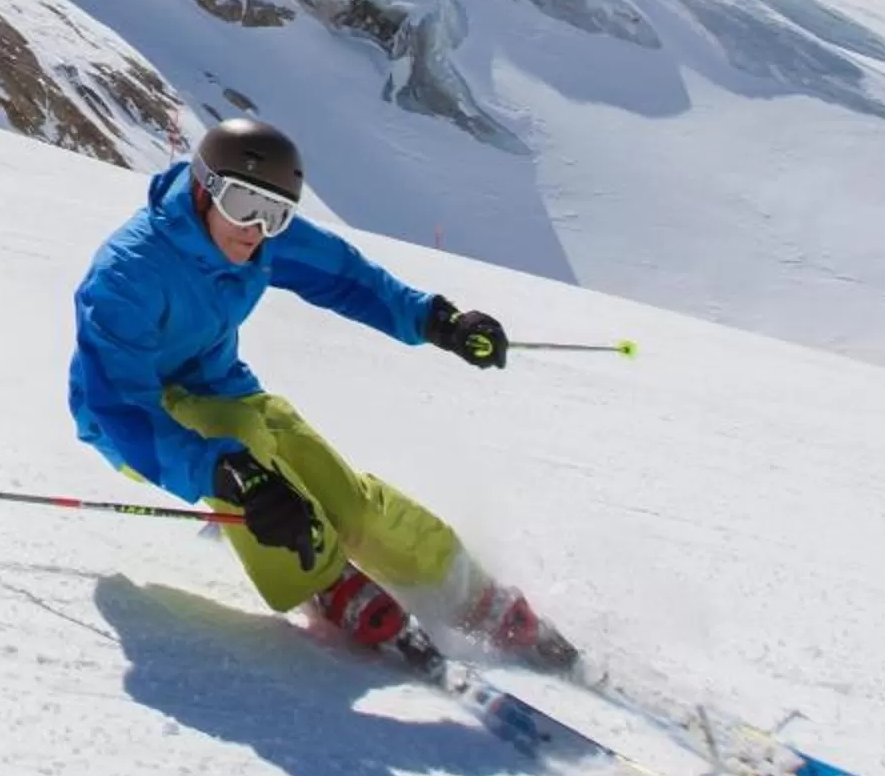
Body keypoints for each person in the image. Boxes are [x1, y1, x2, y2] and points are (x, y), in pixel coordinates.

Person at [70, 117, 570, 666]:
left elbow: (346, 277)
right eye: (241, 204)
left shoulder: (259, 242)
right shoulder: (128, 274)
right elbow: (115, 404)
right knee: (242, 449)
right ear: (202, 188)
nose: (255, 228)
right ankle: (324, 579)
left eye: (275, 213)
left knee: (339, 490)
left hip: (225, 390)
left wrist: (440, 321)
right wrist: (222, 474)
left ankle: (464, 590)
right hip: (137, 419)